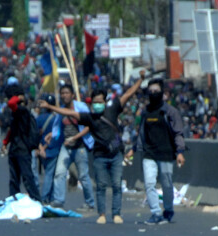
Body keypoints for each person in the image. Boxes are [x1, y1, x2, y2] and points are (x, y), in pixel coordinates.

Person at [39, 71, 145, 224]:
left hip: (115, 154)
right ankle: (101, 213)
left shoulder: (113, 109)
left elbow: (128, 94)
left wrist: (140, 80)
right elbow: (69, 112)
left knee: (116, 185)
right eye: (94, 102)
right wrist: (50, 106)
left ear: (105, 101)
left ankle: (116, 213)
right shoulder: (89, 117)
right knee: (101, 186)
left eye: (99, 101)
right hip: (99, 156)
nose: (97, 104)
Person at [133, 78, 186, 225]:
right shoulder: (146, 112)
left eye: (156, 91)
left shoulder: (170, 112)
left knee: (167, 183)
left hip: (166, 153)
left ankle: (168, 210)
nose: (153, 94)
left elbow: (178, 133)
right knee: (149, 183)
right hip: (149, 154)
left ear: (163, 93)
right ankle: (155, 213)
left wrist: (180, 152)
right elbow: (141, 133)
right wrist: (133, 149)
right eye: (150, 91)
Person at [50, 84, 96, 211]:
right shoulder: (61, 110)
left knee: (83, 176)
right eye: (62, 93)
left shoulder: (80, 108)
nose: (64, 95)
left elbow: (89, 126)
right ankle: (58, 200)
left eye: (66, 93)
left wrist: (75, 138)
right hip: (66, 147)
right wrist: (52, 135)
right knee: (59, 173)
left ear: (72, 95)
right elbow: (58, 127)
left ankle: (90, 203)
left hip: (80, 146)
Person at [1, 85, 41, 202]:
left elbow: (11, 103)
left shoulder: (22, 111)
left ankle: (37, 200)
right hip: (14, 148)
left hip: (23, 149)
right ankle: (13, 201)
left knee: (27, 177)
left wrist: (19, 97)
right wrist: (5, 143)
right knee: (14, 179)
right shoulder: (16, 112)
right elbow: (12, 130)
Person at [34, 94, 61, 204]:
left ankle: (48, 196)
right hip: (53, 149)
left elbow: (35, 136)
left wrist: (40, 148)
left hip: (42, 151)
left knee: (48, 173)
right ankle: (46, 197)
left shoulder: (38, 119)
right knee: (51, 174)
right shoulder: (57, 118)